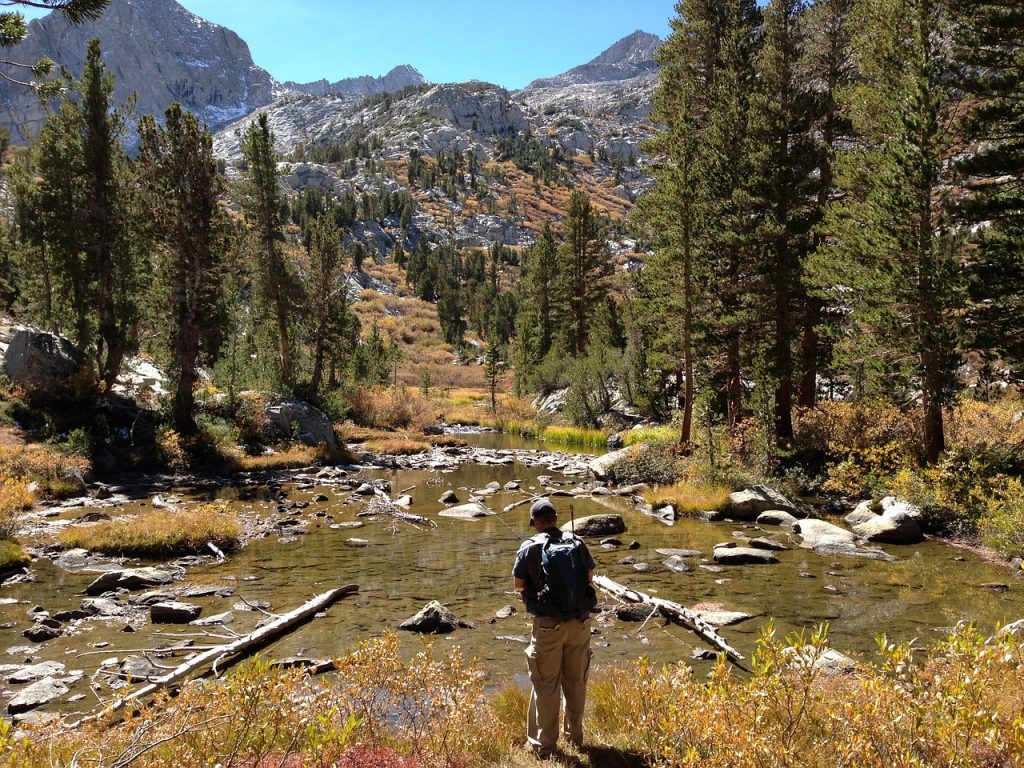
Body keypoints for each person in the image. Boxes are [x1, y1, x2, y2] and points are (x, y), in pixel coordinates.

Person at [512, 497, 596, 758]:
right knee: (576, 681)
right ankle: (575, 737)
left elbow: (518, 584)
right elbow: (590, 578)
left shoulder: (529, 547)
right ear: (556, 519)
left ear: (536, 522)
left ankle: (543, 746)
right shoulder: (577, 542)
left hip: (548, 626)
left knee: (546, 684)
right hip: (580, 624)